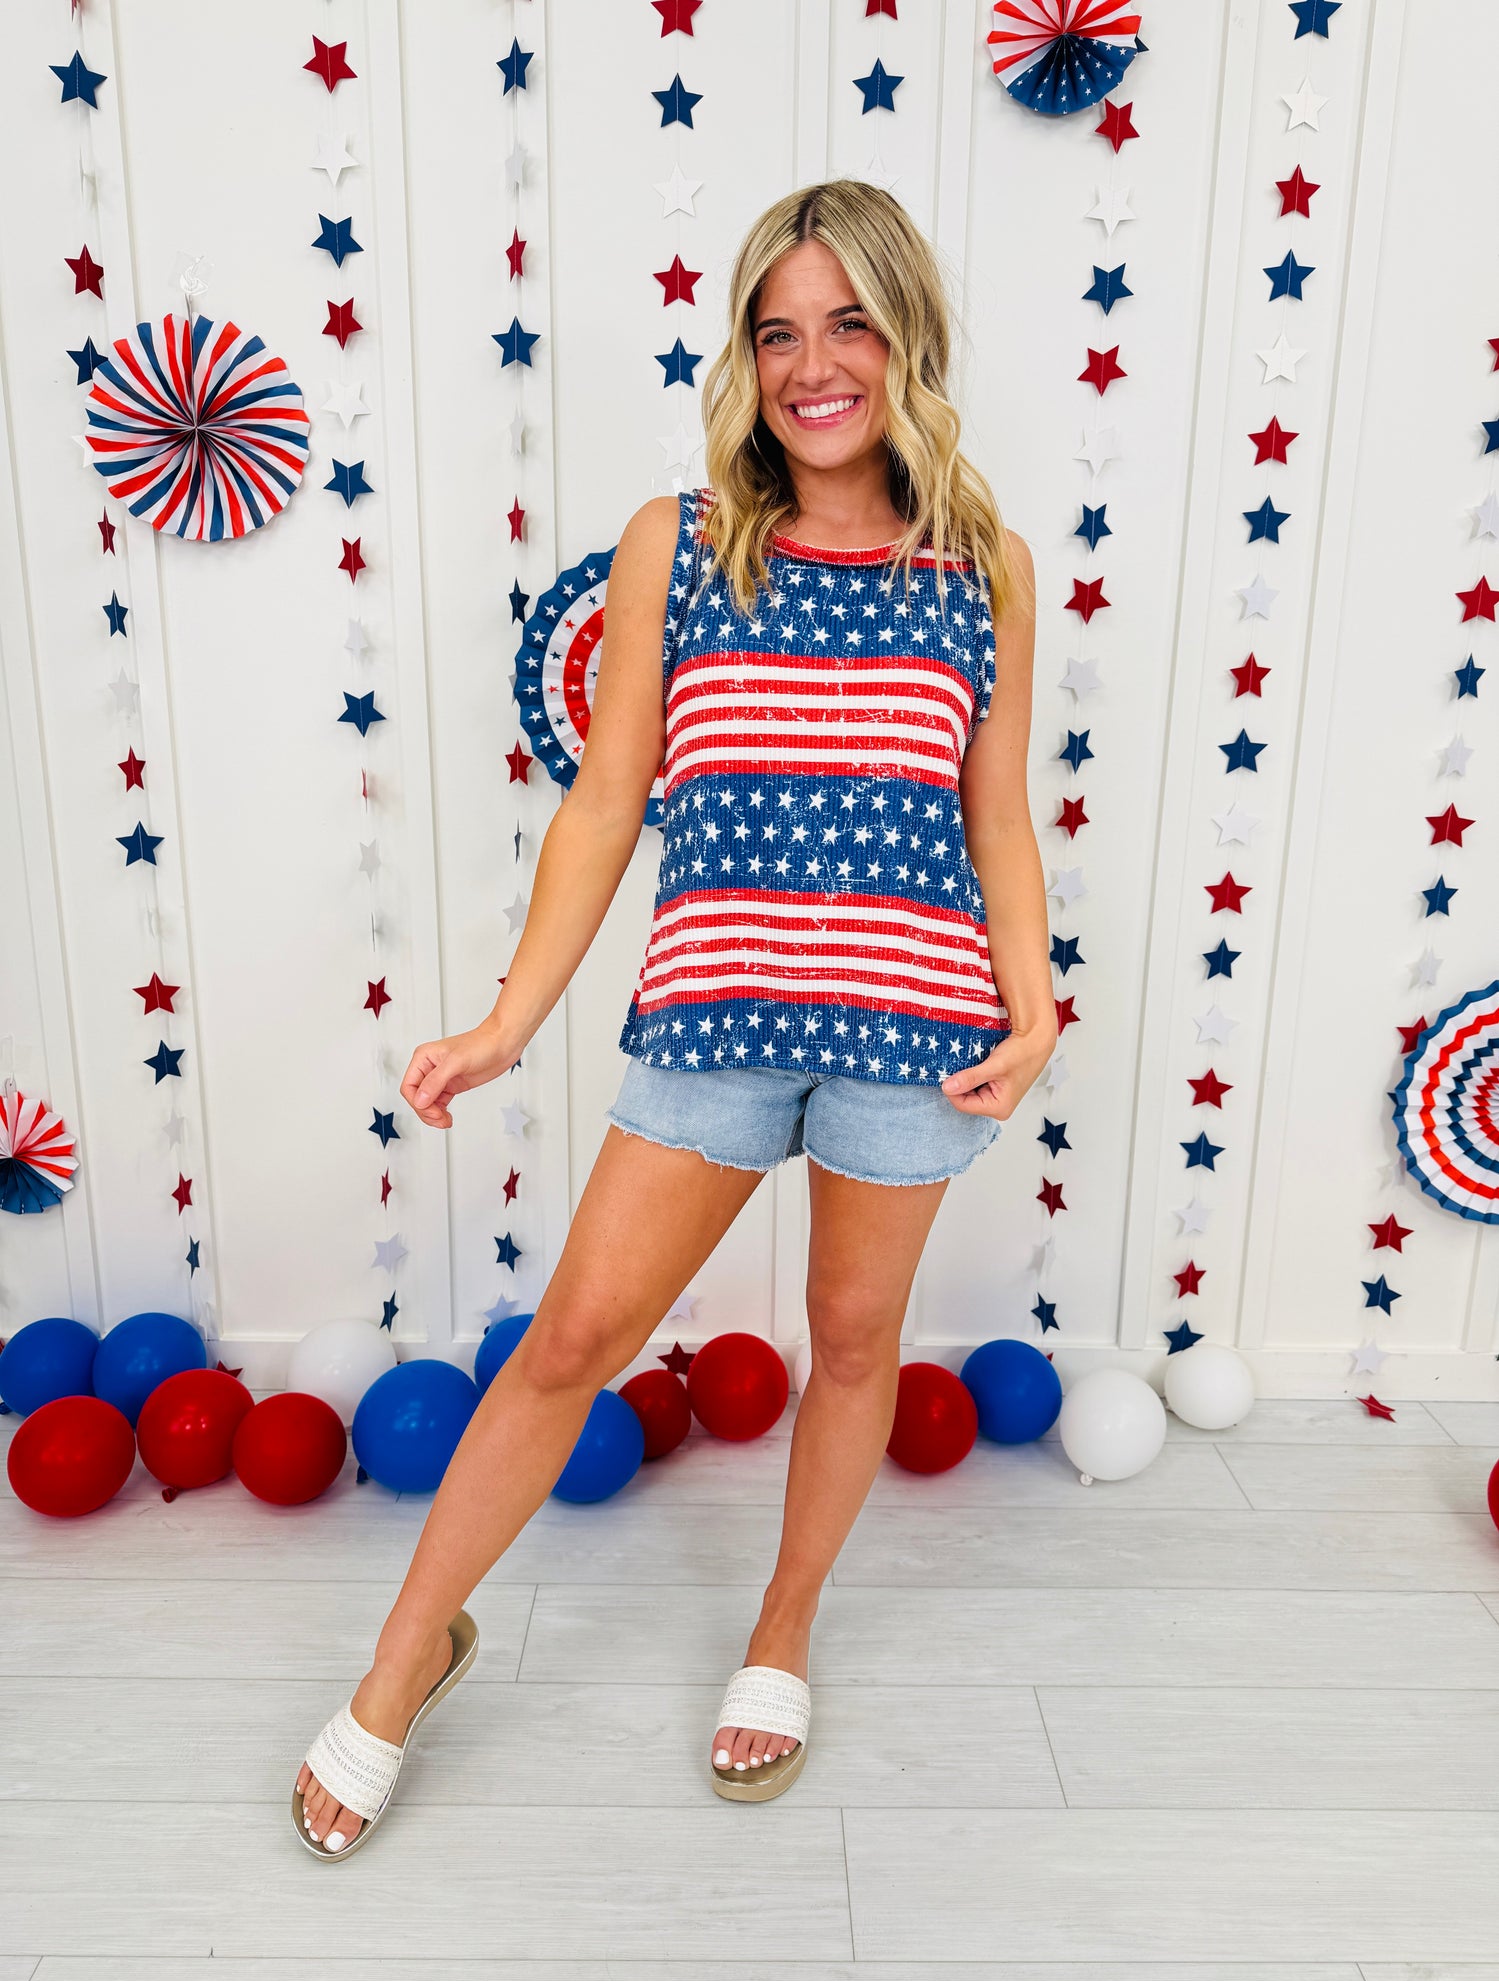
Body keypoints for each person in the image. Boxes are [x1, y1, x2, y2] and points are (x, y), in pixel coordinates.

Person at [295, 177, 1051, 1856]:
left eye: (849, 325)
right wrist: (509, 1021)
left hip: (917, 1029)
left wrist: (1037, 998)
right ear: (746, 358)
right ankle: (405, 1659)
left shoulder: (985, 568)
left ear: (908, 341)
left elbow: (996, 816)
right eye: (778, 333)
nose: (812, 366)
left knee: (852, 1340)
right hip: (715, 1013)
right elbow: (605, 800)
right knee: (574, 1338)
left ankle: (782, 1627)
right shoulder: (681, 541)